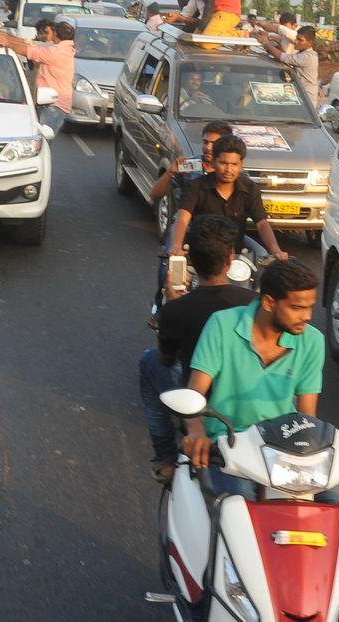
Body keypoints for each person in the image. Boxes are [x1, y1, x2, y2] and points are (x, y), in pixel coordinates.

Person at [180, 259, 324, 479]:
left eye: (310, 307)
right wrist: (196, 430)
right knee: (236, 508)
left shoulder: (313, 341)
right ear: (268, 302)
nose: (307, 316)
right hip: (228, 443)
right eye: (297, 308)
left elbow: (307, 416)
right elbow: (195, 392)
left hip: (282, 448)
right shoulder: (222, 325)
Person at [138, 214, 255, 482]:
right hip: (247, 400)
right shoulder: (255, 304)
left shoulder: (177, 310)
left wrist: (171, 302)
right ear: (230, 260)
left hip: (202, 402)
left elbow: (166, 359)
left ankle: (166, 456)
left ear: (190, 262)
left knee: (149, 362)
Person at [148, 120, 233, 322]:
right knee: (168, 263)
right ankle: (160, 307)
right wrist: (171, 172)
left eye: (215, 143)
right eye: (206, 142)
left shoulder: (234, 172)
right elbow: (155, 193)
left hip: (220, 230)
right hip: (186, 228)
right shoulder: (189, 167)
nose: (208, 147)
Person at [169, 134, 287, 261]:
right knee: (171, 271)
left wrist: (275, 250)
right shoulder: (196, 186)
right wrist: (176, 246)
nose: (228, 169)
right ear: (213, 162)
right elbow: (183, 217)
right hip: (200, 254)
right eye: (223, 163)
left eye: (234, 164)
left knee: (263, 257)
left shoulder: (250, 188)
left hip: (235, 255)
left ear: (241, 164)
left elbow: (262, 223)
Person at [0, 19, 75, 133]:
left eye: (47, 32)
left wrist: (7, 43)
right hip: (48, 102)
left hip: (54, 105)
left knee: (41, 140)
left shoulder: (57, 51)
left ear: (55, 34)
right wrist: (4, 36)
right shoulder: (63, 49)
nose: (43, 36)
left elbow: (28, 50)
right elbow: (28, 45)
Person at [258, 23, 320, 103]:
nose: (296, 42)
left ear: (310, 43)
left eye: (300, 40)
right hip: (299, 95)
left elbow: (283, 57)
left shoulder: (308, 57)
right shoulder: (301, 53)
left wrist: (266, 43)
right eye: (296, 38)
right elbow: (284, 58)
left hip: (307, 99)